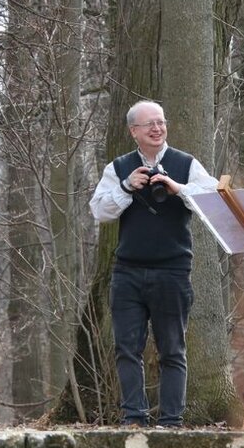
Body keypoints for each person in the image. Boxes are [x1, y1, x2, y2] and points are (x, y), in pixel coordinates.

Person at [89, 100, 218, 427]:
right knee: (126, 348)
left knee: (172, 349)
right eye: (149, 124)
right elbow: (100, 212)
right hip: (127, 272)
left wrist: (178, 188)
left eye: (161, 122)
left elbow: (213, 200)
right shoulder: (118, 168)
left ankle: (171, 421)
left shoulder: (185, 164)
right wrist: (127, 186)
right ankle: (133, 417)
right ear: (134, 131)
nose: (157, 129)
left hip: (172, 270)